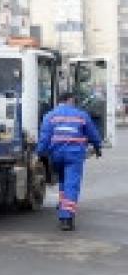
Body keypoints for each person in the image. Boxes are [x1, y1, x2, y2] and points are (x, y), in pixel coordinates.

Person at [37, 91, 102, 231]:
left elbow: (44, 137)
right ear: (70, 100)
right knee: (71, 184)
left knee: (63, 181)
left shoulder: (50, 116)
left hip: (56, 155)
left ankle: (62, 205)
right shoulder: (81, 115)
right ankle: (66, 218)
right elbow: (93, 134)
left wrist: (40, 153)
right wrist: (97, 147)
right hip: (74, 155)